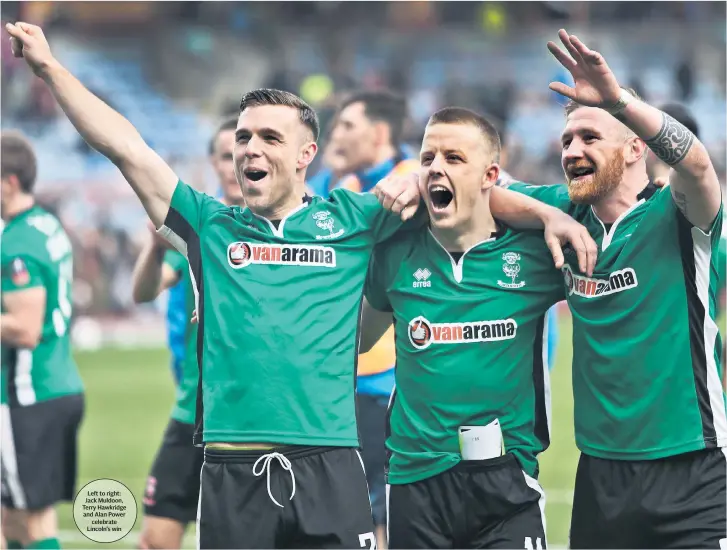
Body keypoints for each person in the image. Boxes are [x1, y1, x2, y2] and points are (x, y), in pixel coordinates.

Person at [6, 21, 597, 549]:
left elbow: (469, 188)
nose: (249, 149)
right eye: (243, 138)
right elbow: (124, 147)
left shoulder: (355, 218)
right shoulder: (209, 225)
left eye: (268, 137)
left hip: (331, 467)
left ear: (305, 153)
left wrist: (544, 212)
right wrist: (52, 69)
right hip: (233, 471)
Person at [513, 30, 724, 548]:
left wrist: (618, 102)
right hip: (601, 475)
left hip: (691, 469)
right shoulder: (567, 213)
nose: (572, 151)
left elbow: (695, 165)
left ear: (634, 147)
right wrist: (544, 213)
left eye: (589, 137)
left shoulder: (675, 216)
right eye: (566, 141)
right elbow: (485, 192)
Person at [362, 107, 567, 549]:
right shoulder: (396, 254)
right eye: (428, 157)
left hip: (506, 480)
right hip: (415, 480)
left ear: (491, 174)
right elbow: (356, 340)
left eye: (454, 158)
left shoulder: (533, 254)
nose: (436, 167)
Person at [310, 90, 419, 547]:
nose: (336, 134)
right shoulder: (346, 186)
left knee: (389, 508)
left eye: (346, 126)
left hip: (395, 377)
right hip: (348, 376)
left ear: (378, 133)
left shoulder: (419, 178)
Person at [132, 119, 243, 550]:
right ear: (214, 164)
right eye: (225, 154)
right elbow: (143, 292)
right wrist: (156, 246)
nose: (235, 163)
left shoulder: (270, 231)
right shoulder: (197, 230)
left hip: (239, 417)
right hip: (189, 407)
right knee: (156, 539)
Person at [0, 130, 84, 550]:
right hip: (60, 384)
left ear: (10, 182)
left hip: (29, 395)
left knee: (27, 520)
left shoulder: (17, 242)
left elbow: (24, 328)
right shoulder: (46, 224)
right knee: (21, 516)